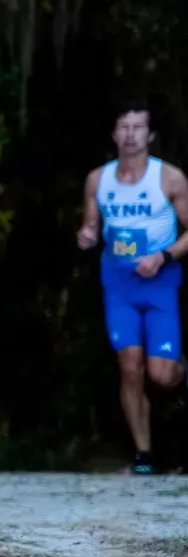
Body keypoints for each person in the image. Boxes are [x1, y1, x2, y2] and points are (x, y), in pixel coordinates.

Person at [76, 98, 188, 475]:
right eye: (123, 127)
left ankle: (180, 370)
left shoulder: (170, 179)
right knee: (129, 367)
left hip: (159, 281)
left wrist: (164, 256)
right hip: (119, 283)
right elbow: (91, 223)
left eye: (138, 127)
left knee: (160, 374)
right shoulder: (98, 179)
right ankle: (143, 457)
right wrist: (88, 234)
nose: (130, 135)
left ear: (151, 135)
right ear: (113, 133)